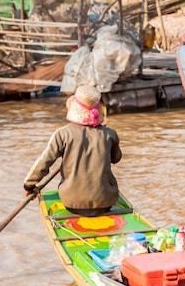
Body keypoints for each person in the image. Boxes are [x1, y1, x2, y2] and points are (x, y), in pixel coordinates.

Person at [24, 84, 122, 216]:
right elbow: (116, 158)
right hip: (106, 202)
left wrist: (29, 185)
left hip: (71, 203)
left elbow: (44, 162)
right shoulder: (110, 134)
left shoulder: (62, 134)